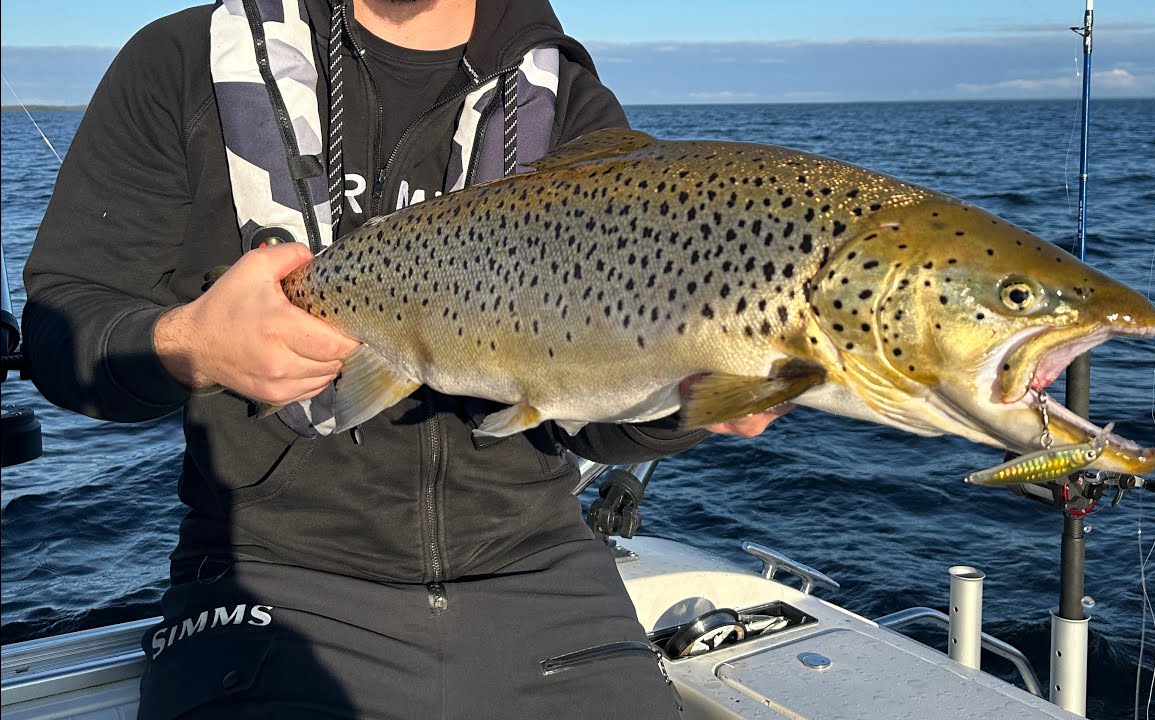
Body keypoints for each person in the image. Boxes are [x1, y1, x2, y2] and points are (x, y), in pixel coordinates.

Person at [22, 0, 789, 717]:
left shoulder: (570, 104)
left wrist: (693, 401)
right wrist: (190, 345)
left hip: (544, 574)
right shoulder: (182, 62)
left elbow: (596, 428)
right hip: (271, 579)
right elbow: (63, 331)